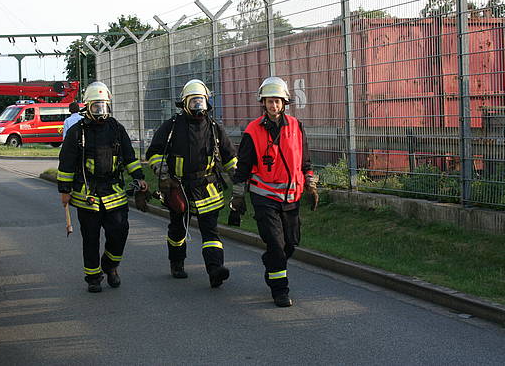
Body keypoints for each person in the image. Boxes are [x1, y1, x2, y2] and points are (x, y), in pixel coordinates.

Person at [229, 77, 317, 307]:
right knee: (276, 245)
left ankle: (272, 264)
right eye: (269, 101)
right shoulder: (253, 130)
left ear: (284, 102)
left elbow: (305, 161)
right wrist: (238, 196)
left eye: (277, 101)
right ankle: (280, 291)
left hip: (291, 197)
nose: (273, 105)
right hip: (264, 197)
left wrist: (310, 184)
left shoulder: (296, 127)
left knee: (290, 244)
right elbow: (243, 167)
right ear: (263, 103)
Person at [57, 81, 147, 293]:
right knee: (90, 238)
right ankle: (93, 277)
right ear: (87, 107)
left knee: (120, 231)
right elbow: (66, 162)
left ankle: (110, 265)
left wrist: (139, 177)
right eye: (96, 106)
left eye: (103, 106)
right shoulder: (77, 132)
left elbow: (129, 156)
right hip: (86, 193)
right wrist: (64, 190)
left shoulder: (116, 129)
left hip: (113, 191)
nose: (100, 111)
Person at [146, 79, 237, 288]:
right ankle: (177, 262)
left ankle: (215, 270)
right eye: (193, 102)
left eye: (200, 102)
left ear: (207, 102)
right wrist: (163, 173)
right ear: (184, 104)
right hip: (178, 187)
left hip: (207, 187)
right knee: (177, 229)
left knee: (210, 231)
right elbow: (154, 152)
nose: (198, 106)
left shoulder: (214, 128)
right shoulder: (171, 126)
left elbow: (229, 156)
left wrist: (238, 179)